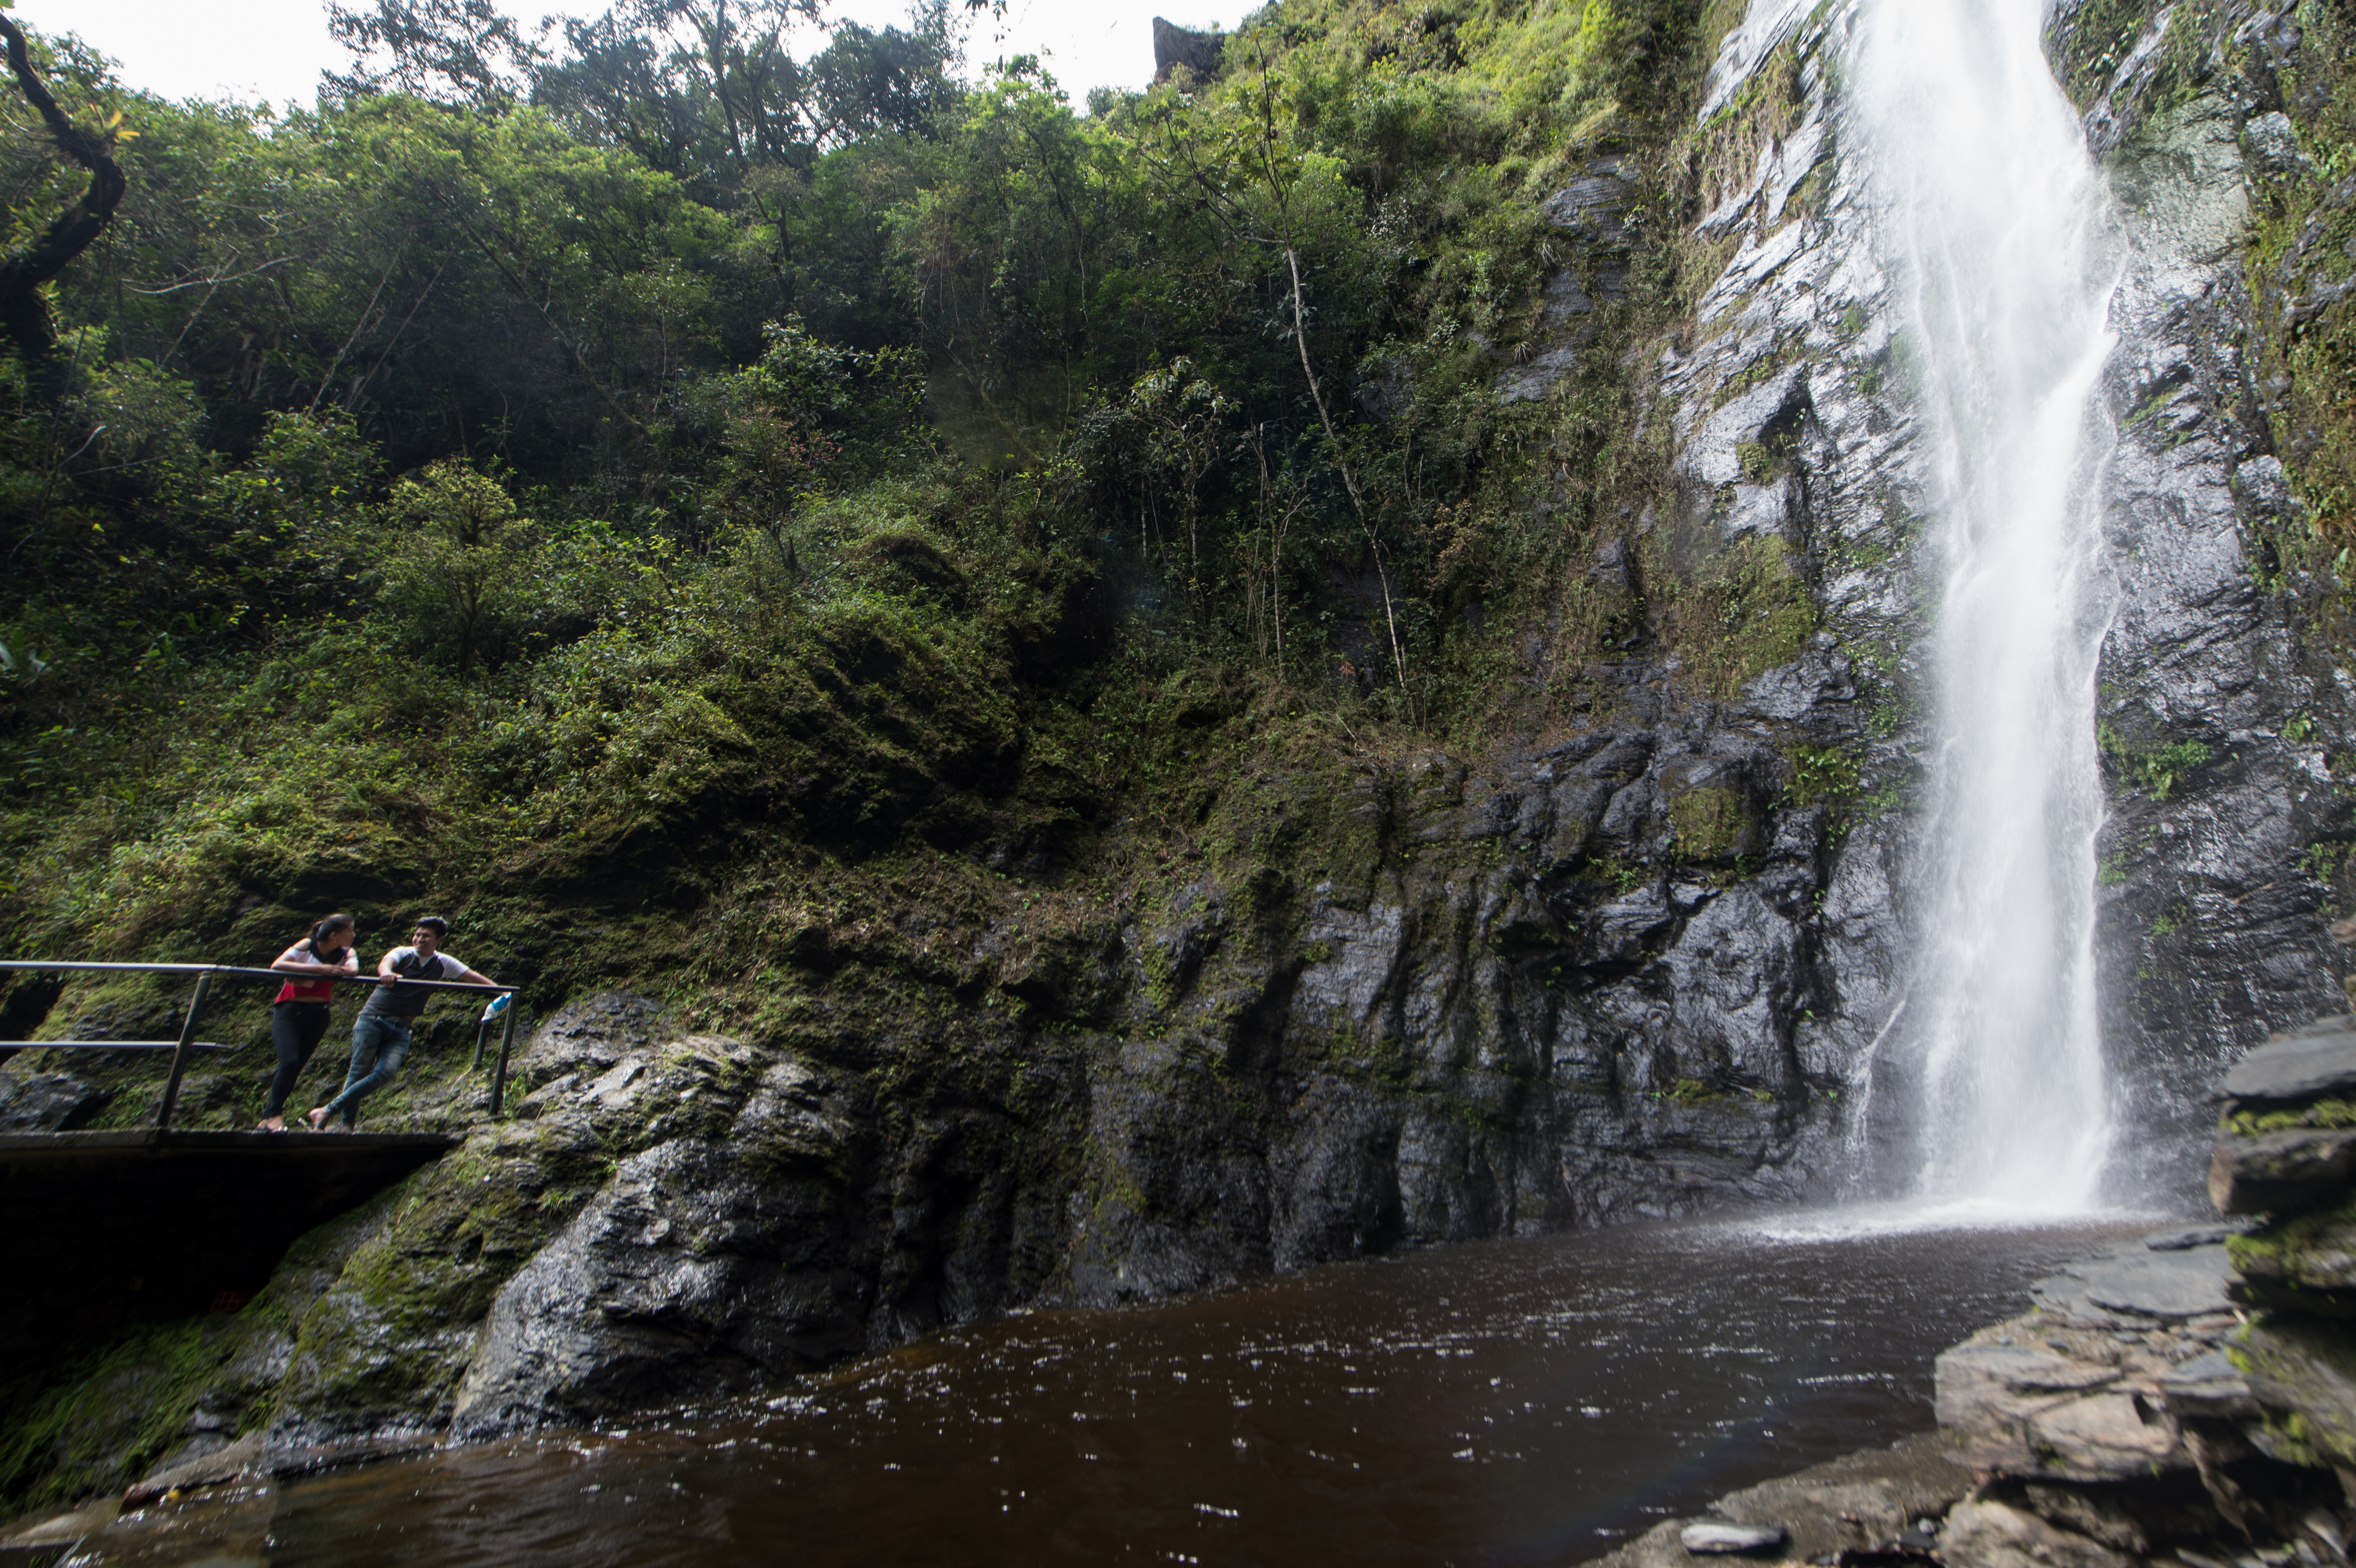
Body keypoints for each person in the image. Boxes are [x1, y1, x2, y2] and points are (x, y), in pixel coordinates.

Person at [308, 915, 496, 1132]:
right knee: (358, 1071)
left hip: (402, 1028)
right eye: (417, 935)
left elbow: (472, 977)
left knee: (385, 1072)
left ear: (440, 939)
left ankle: (326, 1111)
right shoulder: (403, 952)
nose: (419, 939)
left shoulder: (443, 962)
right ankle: (346, 1125)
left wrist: (503, 992)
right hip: (374, 1019)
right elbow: (386, 963)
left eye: (426, 936)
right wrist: (387, 974)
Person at [256, 914, 359, 1132]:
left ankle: (270, 1117)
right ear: (334, 935)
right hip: (289, 1011)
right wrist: (320, 970)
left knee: (297, 1067)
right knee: (289, 1062)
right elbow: (278, 965)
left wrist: (308, 971)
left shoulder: (346, 952)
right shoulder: (308, 945)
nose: (353, 935)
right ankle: (274, 1115)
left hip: (319, 1014)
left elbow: (353, 971)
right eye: (350, 930)